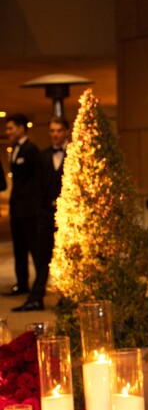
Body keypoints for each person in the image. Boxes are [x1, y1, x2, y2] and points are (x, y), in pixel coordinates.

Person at [14, 117, 69, 312]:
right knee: (43, 257)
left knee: (68, 257)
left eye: (59, 130)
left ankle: (66, 297)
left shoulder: (74, 154)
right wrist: (39, 211)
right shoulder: (43, 156)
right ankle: (36, 297)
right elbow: (36, 186)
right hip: (46, 214)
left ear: (66, 132)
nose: (55, 134)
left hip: (68, 217)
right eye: (52, 131)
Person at [4, 113, 40, 300]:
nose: (8, 131)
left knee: (33, 248)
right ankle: (22, 283)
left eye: (11, 128)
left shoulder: (31, 150)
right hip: (17, 209)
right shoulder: (15, 150)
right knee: (19, 249)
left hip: (29, 209)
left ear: (21, 128)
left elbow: (36, 180)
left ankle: (38, 285)